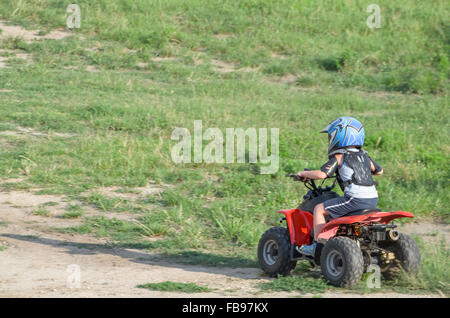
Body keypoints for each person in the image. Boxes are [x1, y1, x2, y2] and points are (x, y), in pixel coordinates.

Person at [296, 116, 383, 256]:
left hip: (354, 200)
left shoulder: (339, 157)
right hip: (373, 199)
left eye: (331, 136)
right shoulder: (365, 156)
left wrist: (302, 173)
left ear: (339, 136)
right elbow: (379, 171)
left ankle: (317, 247)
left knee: (319, 209)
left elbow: (321, 175)